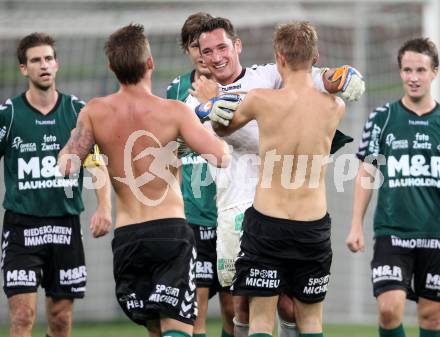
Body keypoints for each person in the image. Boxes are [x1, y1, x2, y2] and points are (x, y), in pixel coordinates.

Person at [192, 16, 364, 337]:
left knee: (260, 320)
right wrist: (341, 75)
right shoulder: (335, 107)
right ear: (314, 58)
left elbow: (222, 126)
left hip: (268, 222)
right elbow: (327, 81)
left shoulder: (261, 100)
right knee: (311, 321)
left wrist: (211, 108)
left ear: (279, 58)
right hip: (313, 225)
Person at [57, 24, 230, 337]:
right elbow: (221, 156)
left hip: (128, 237)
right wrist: (199, 122)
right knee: (176, 327)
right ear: (150, 63)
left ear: (111, 68)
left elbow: (67, 164)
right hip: (171, 233)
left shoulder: (95, 112)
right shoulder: (175, 112)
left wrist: (75, 145)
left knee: (154, 329)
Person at [0, 33, 112, 337]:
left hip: (65, 227)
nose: (44, 65)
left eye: (48, 58)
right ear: (24, 69)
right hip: (22, 228)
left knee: (61, 319)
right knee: (22, 316)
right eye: (35, 60)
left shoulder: (78, 112)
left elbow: (96, 162)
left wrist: (103, 206)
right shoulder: (8, 115)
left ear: (57, 64)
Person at [346, 37, 440, 337]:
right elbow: (367, 170)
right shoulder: (382, 118)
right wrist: (356, 225)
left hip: (435, 235)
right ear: (400, 72)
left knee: (432, 317)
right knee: (388, 310)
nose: (413, 78)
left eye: (421, 71)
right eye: (407, 70)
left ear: (434, 73)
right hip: (392, 233)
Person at [166, 12, 234, 337]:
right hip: (193, 215)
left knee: (235, 311)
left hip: (230, 210)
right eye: (194, 46)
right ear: (188, 50)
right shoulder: (176, 90)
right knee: (196, 307)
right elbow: (167, 152)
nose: (201, 53)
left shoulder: (234, 84)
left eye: (205, 46)